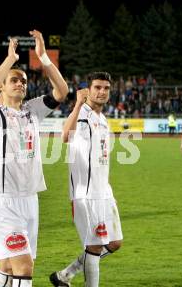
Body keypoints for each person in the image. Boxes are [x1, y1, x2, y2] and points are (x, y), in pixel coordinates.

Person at [0, 30, 68, 287]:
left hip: (30, 198)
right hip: (5, 200)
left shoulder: (32, 110)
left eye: (24, 81)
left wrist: (43, 57)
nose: (21, 83)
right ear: (3, 86)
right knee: (24, 266)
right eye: (14, 80)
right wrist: (10, 61)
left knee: (8, 266)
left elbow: (61, 91)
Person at [50, 72, 123, 287]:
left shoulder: (102, 119)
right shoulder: (82, 113)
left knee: (115, 243)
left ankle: (65, 275)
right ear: (88, 90)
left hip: (103, 192)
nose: (102, 92)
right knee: (94, 246)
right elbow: (65, 136)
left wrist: (107, 190)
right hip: (86, 194)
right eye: (97, 87)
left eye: (106, 88)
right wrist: (77, 104)